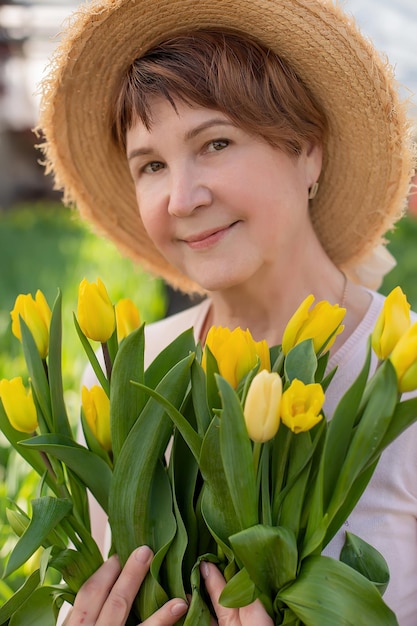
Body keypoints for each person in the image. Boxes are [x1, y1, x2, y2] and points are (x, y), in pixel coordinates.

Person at [37, 0, 416, 624]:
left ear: (308, 152)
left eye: (215, 142)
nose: (182, 199)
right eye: (152, 165)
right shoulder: (126, 383)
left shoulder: (399, 371)